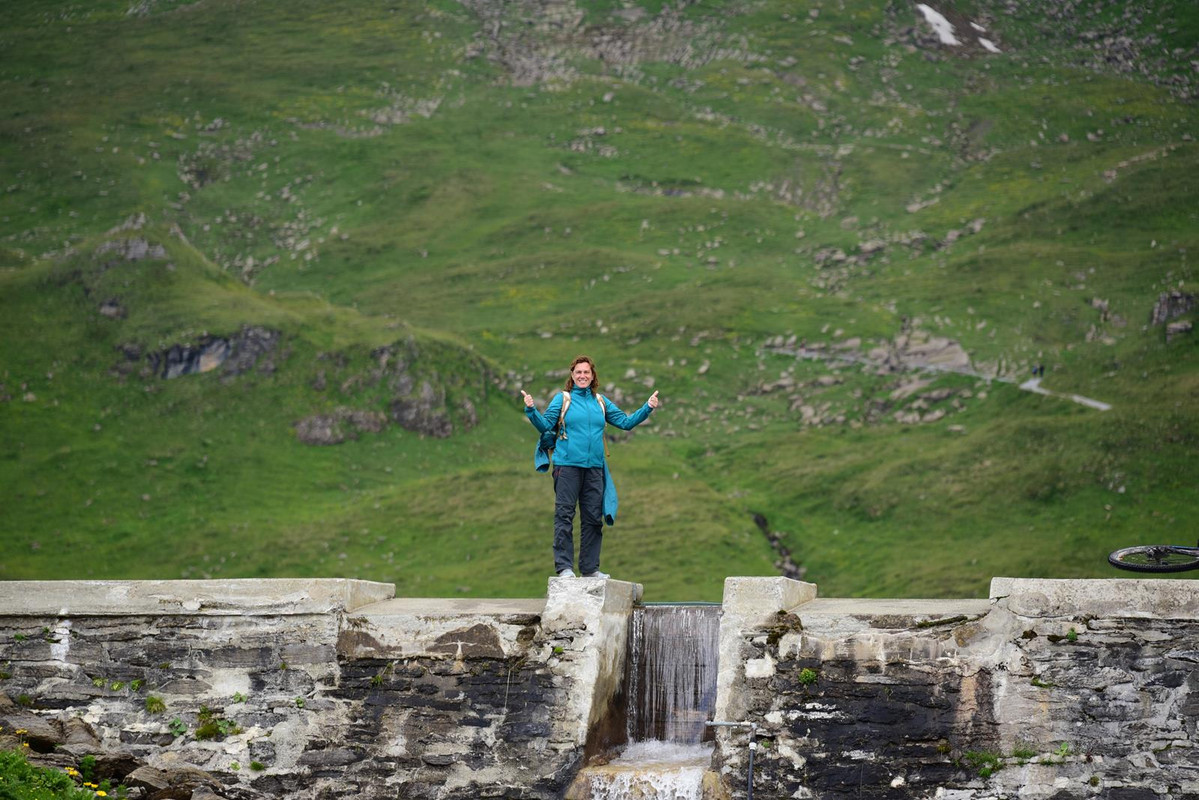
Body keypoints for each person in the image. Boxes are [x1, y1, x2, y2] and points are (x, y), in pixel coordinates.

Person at [521, 356, 660, 579]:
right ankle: (564, 568)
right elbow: (545, 426)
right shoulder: (563, 399)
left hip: (594, 468)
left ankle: (590, 569)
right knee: (565, 516)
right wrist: (531, 410)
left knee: (593, 519)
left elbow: (625, 422)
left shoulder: (601, 402)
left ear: (592, 376)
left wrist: (648, 407)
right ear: (572, 376)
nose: (582, 376)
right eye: (578, 372)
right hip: (567, 466)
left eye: (586, 372)